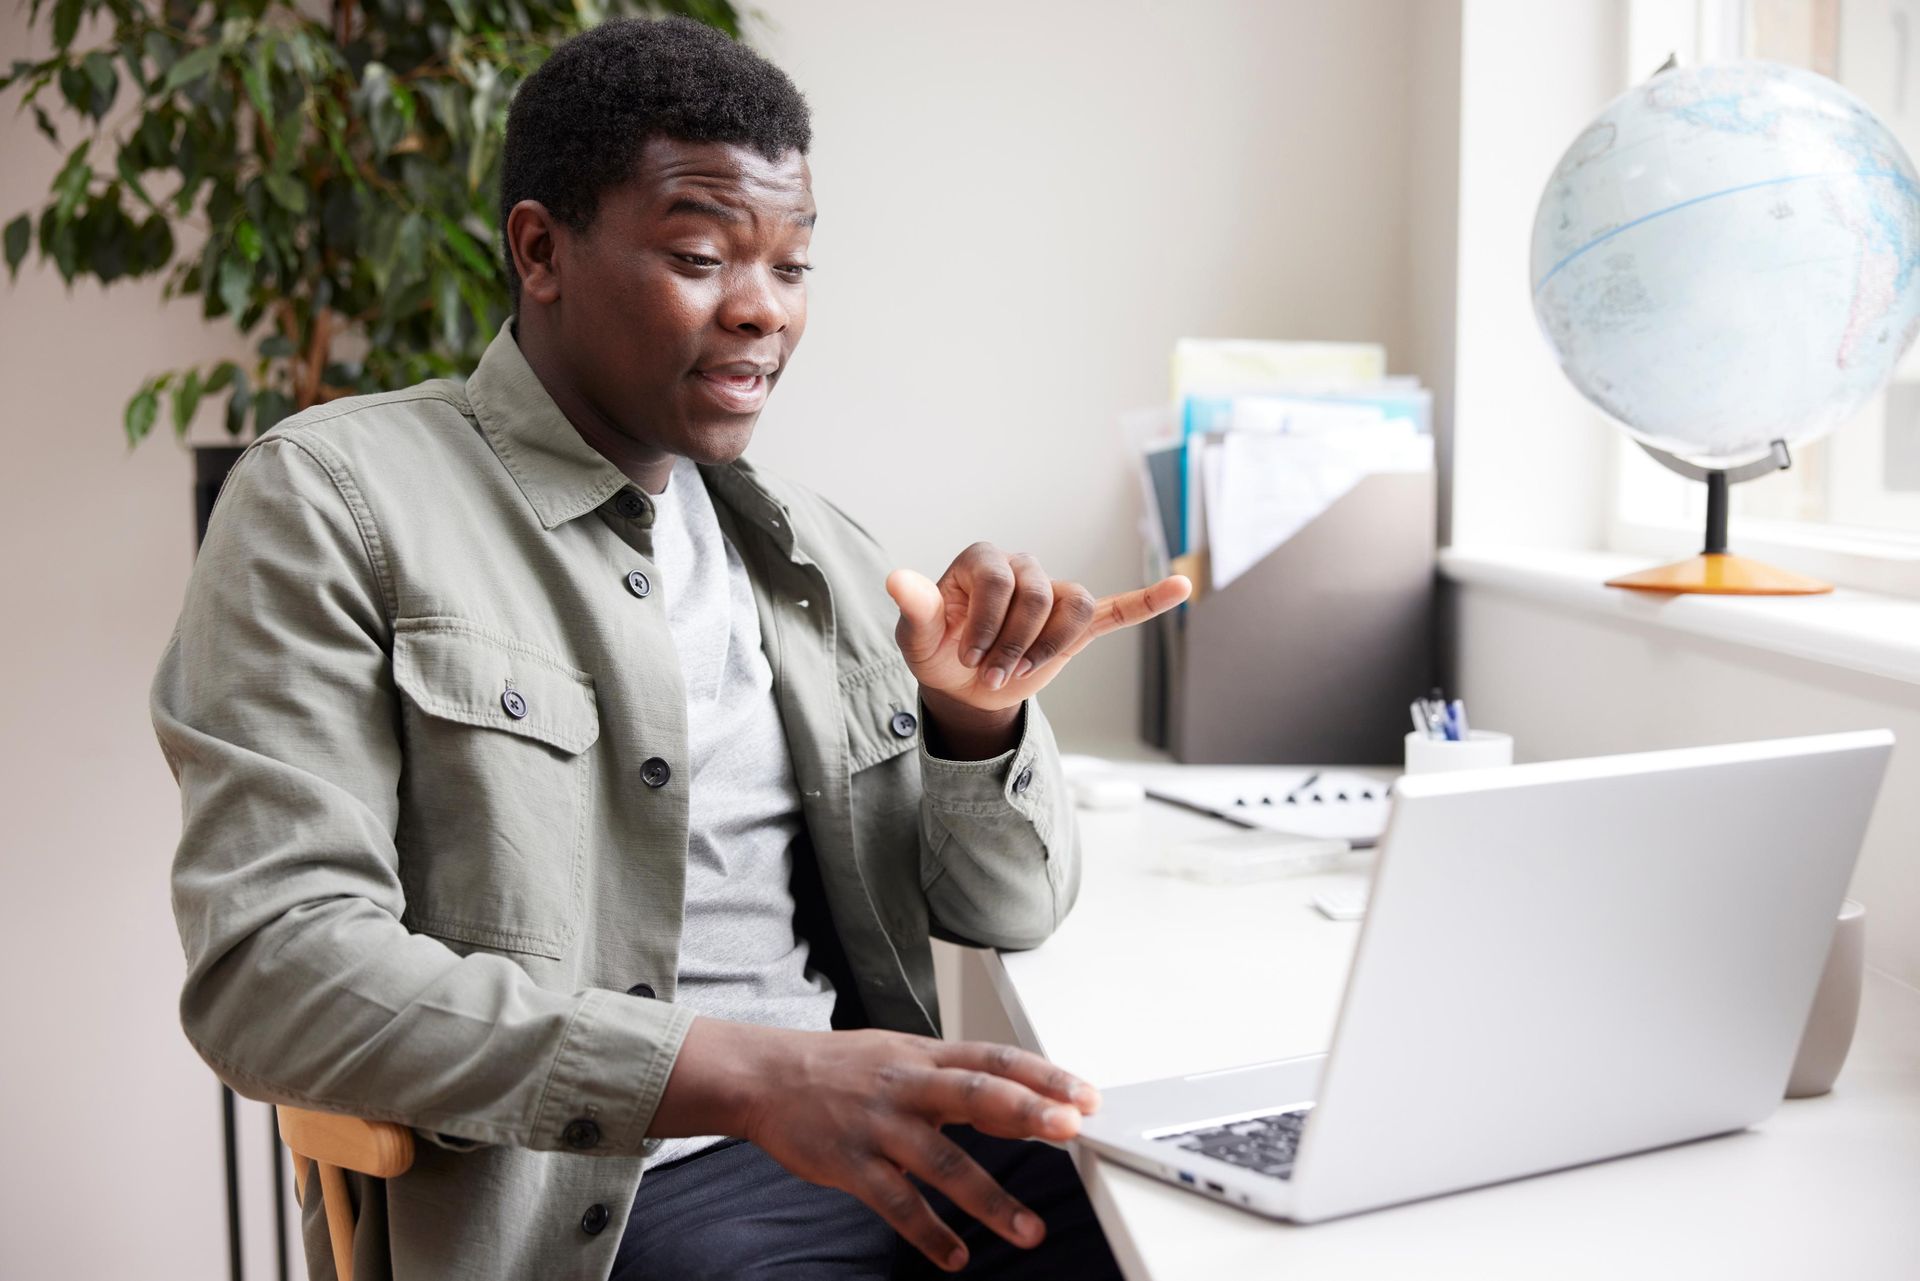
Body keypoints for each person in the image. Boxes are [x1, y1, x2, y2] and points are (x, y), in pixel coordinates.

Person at [153, 14, 1188, 1280]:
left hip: (873, 1152)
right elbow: (277, 970)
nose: (761, 312)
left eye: (793, 268)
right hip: (593, 1213)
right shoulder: (333, 501)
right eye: (701, 255)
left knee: (1198, 1232)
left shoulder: (814, 549)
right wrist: (747, 1078)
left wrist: (976, 724)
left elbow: (1008, 909)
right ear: (541, 250)